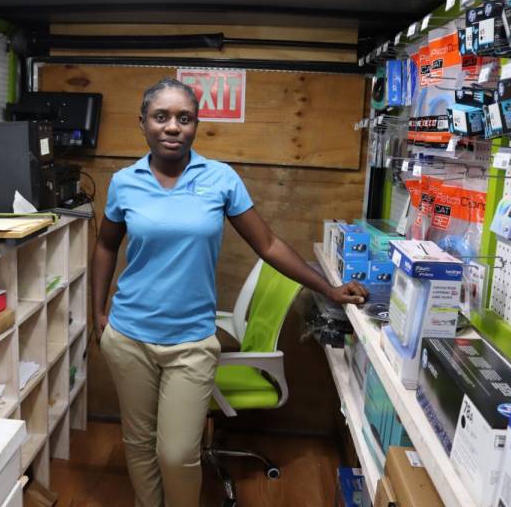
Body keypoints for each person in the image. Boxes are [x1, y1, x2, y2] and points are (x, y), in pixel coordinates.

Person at [91, 77, 368, 507]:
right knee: (139, 442)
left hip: (191, 343)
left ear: (196, 126)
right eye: (161, 117)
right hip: (129, 337)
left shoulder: (220, 178)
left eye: (184, 118)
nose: (172, 127)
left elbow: (269, 244)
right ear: (142, 123)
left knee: (177, 452)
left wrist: (329, 290)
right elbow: (106, 244)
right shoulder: (124, 183)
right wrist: (97, 313)